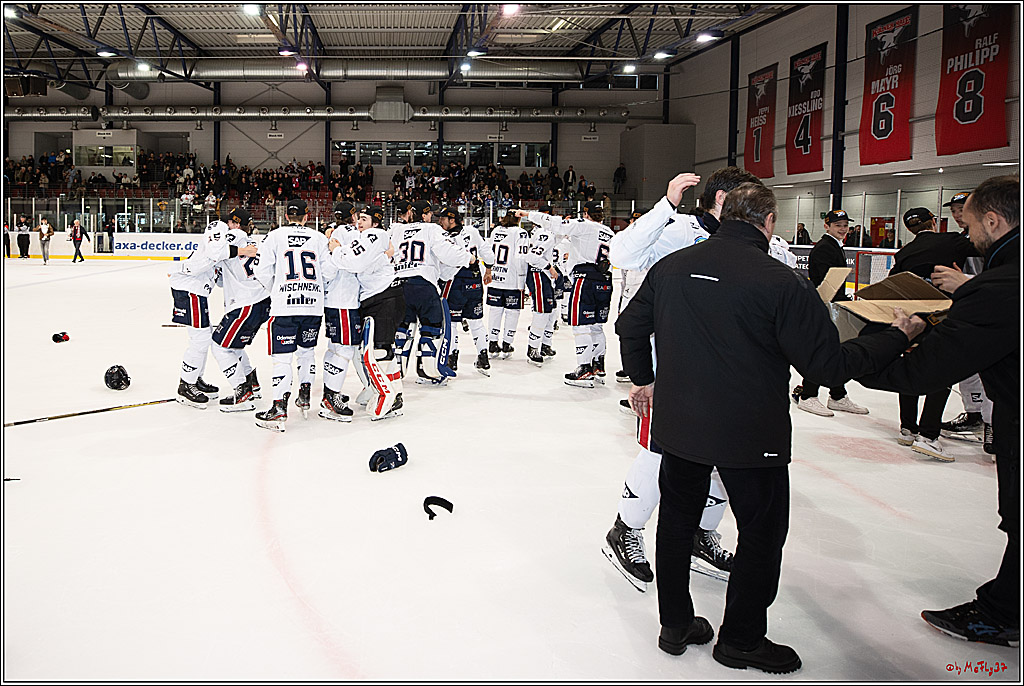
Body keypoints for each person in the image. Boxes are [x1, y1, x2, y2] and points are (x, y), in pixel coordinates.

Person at [617, 182, 924, 672]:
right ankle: (740, 639)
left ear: (724, 215)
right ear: (769, 221)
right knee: (760, 533)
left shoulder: (671, 267)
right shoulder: (782, 282)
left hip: (680, 423)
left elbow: (630, 326)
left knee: (675, 522)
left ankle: (675, 625)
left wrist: (644, 379)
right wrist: (894, 336)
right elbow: (827, 366)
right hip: (750, 432)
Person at [602, 167, 788, 592]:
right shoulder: (677, 230)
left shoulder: (758, 243)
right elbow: (622, 253)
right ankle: (625, 529)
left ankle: (701, 536)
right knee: (661, 451)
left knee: (726, 455)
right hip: (671, 366)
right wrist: (665, 205)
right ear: (722, 199)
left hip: (731, 370)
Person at [858, 175, 1019, 648]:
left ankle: (1003, 614)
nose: (967, 235)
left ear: (994, 221)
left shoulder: (1000, 286)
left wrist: (865, 357)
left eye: (971, 225)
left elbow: (925, 370)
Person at [888, 207, 979, 461]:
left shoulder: (904, 252)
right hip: (943, 316)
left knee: (911, 368)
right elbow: (983, 248)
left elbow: (893, 283)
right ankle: (928, 435)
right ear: (933, 222)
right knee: (942, 372)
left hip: (914, 319)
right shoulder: (952, 240)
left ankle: (908, 428)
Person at [252, 198, 338, 431]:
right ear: (307, 217)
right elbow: (329, 272)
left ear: (286, 216)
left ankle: (279, 407)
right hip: (312, 306)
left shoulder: (274, 236)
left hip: (285, 307)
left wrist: (277, 289)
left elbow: (260, 269)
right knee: (306, 352)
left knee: (282, 358)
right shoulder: (319, 238)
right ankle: (305, 395)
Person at [523, 201, 614, 387]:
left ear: (586, 214)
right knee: (597, 327)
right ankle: (598, 366)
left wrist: (527, 214)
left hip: (585, 279)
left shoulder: (584, 225)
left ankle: (584, 369)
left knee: (581, 326)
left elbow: (555, 223)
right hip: (605, 280)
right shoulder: (610, 232)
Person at [329, 205, 406, 420]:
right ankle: (396, 394)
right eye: (359, 218)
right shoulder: (367, 237)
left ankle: (386, 396)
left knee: (379, 352)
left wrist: (336, 250)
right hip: (381, 297)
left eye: (365, 219)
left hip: (384, 298)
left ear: (376, 222)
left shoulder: (375, 235)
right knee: (384, 350)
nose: (359, 222)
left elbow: (355, 262)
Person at [793, 210, 870, 417]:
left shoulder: (834, 246)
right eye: (838, 225)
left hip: (834, 305)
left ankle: (837, 395)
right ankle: (808, 395)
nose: (843, 229)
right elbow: (825, 283)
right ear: (827, 226)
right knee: (823, 350)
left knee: (835, 351)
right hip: (827, 306)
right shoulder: (824, 248)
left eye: (845, 225)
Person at [390, 200, 473, 383]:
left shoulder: (398, 231)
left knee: (402, 328)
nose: (432, 218)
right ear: (424, 215)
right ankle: (429, 370)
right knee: (432, 326)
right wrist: (469, 258)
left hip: (399, 286)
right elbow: (447, 253)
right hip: (423, 285)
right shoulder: (431, 229)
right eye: (429, 214)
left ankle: (395, 369)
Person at [168, 220, 244, 408]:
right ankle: (186, 385)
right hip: (189, 289)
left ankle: (195, 378)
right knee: (200, 339)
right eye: (235, 223)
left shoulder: (225, 240)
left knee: (204, 336)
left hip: (196, 291)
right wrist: (240, 251)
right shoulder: (218, 228)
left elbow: (218, 279)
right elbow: (212, 255)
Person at [937, 190, 992, 450]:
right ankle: (974, 414)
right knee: (967, 366)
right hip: (967, 308)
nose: (958, 215)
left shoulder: (991, 240)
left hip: (991, 310)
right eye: (954, 211)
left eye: (962, 210)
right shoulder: (961, 239)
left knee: (991, 368)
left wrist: (966, 282)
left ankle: (992, 424)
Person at [209, 208, 268, 412]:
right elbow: (224, 280)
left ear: (235, 224)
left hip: (245, 303)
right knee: (234, 346)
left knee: (219, 346)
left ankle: (242, 393)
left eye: (229, 222)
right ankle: (251, 383)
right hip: (259, 301)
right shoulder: (252, 241)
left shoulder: (234, 235)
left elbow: (215, 252)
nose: (226, 226)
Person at [435, 205, 496, 375]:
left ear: (452, 220)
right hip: (475, 280)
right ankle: (483, 358)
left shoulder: (444, 237)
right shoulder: (472, 231)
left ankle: (452, 358)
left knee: (452, 322)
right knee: (476, 321)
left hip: (454, 281)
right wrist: (488, 269)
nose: (440, 222)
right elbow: (487, 252)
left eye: (443, 219)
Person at [486, 213, 531, 360]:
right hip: (512, 280)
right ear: (518, 219)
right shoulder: (520, 233)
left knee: (495, 310)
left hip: (495, 278)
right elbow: (521, 258)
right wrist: (522, 281)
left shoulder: (496, 231)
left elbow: (488, 252)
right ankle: (507, 343)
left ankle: (492, 343)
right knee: (512, 312)